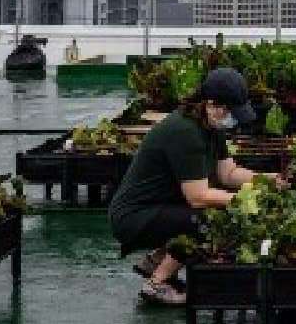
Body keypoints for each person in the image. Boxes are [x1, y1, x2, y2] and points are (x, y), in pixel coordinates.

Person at [108, 67, 281, 306]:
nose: (231, 117)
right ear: (211, 103)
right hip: (135, 216)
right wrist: (246, 201)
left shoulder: (213, 127)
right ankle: (156, 285)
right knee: (207, 220)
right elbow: (198, 197)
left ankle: (157, 260)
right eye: (229, 111)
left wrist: (266, 180)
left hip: (162, 205)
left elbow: (228, 173)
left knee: (214, 211)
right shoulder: (185, 131)